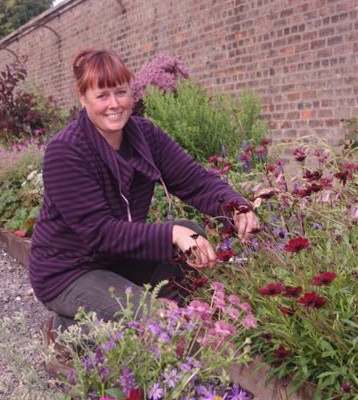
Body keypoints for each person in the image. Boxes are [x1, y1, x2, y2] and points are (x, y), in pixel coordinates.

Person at [29, 49, 259, 342]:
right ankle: (65, 331)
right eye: (102, 96)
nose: (114, 105)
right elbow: (101, 233)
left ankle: (148, 308)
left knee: (190, 236)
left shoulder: (145, 136)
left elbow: (195, 181)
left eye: (121, 92)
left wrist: (236, 207)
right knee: (155, 323)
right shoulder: (66, 152)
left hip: (118, 260)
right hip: (69, 272)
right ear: (83, 98)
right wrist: (169, 233)